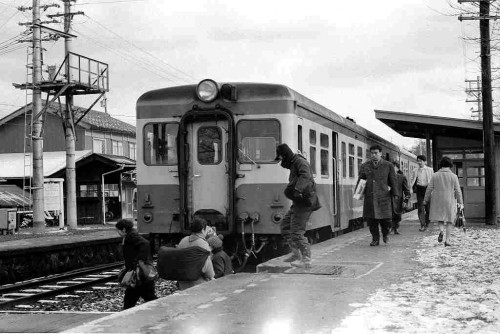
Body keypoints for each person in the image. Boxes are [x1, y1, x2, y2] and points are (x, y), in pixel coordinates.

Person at [275, 143, 320, 269]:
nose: (281, 162)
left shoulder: (300, 162)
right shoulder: (294, 163)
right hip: (298, 202)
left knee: (297, 232)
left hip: (304, 202)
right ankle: (296, 254)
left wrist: (298, 190)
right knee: (285, 226)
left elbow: (306, 176)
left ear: (285, 155)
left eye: (281, 158)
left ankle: (306, 259)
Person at [358, 145, 399, 246]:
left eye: (376, 153)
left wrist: (395, 193)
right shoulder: (365, 165)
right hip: (370, 196)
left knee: (386, 220)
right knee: (371, 220)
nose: (374, 155)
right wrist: (358, 194)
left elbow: (393, 180)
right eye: (372, 153)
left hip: (384, 196)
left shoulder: (388, 165)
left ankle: (385, 233)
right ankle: (375, 239)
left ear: (381, 154)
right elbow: (361, 180)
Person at [115, 219, 157, 310]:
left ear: (124, 230)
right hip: (137, 274)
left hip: (139, 273)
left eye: (118, 230)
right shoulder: (130, 236)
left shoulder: (132, 236)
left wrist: (138, 261)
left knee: (141, 297)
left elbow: (145, 244)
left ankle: (161, 312)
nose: (117, 232)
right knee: (143, 296)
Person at [423, 156, 463, 247]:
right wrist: (461, 202)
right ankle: (447, 240)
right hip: (449, 200)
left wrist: (425, 200)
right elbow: (458, 190)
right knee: (450, 220)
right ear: (450, 165)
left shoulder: (435, 175)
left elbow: (429, 188)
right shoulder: (454, 176)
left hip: (437, 200)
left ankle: (441, 231)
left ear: (441, 165)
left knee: (440, 218)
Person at [177, 217, 215, 289]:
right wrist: (211, 277)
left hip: (182, 282)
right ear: (203, 230)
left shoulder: (183, 240)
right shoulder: (203, 244)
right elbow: (208, 270)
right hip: (197, 283)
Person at [410, 155, 434, 231]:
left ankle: (427, 223)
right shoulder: (415, 170)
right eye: (418, 161)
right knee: (420, 208)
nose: (419, 162)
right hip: (419, 189)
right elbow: (412, 179)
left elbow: (432, 180)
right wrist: (410, 187)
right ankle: (422, 225)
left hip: (428, 189)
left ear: (425, 162)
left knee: (428, 209)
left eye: (421, 161)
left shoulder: (430, 170)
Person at [391, 161, 411, 235]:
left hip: (398, 199)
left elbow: (406, 189)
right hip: (388, 198)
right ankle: (391, 227)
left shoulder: (402, 177)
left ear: (397, 168)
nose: (392, 169)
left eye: (393, 167)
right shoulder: (386, 177)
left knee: (397, 215)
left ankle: (396, 228)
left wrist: (406, 200)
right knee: (390, 214)